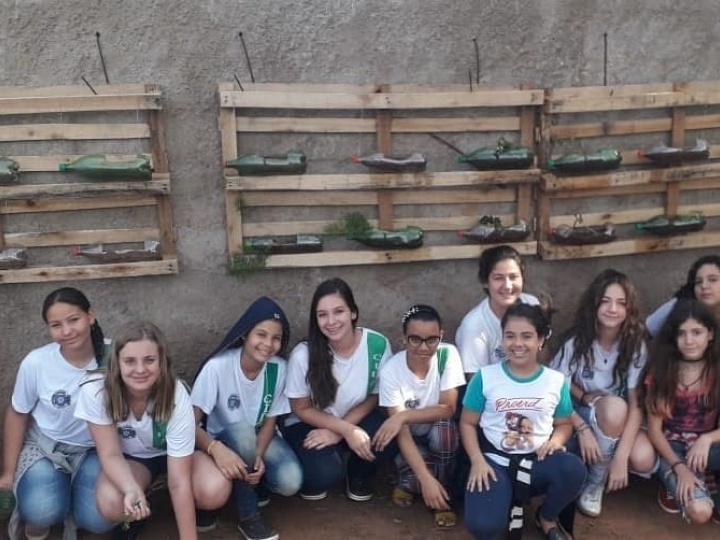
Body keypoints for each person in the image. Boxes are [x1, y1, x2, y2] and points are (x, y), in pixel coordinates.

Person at [461, 303, 585, 540]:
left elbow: (564, 423)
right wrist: (477, 460)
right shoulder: (485, 377)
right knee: (483, 526)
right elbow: (467, 423)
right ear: (502, 338)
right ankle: (501, 498)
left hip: (537, 461)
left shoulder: (555, 381)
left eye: (527, 336)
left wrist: (556, 441)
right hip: (495, 461)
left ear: (541, 340)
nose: (517, 343)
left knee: (572, 469)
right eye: (510, 336)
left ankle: (546, 517)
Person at [0, 287, 110, 540]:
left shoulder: (115, 356)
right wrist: (8, 472)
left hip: (97, 450)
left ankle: (73, 503)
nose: (67, 331)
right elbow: (18, 413)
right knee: (41, 510)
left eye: (74, 319)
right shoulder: (36, 362)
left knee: (100, 517)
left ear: (90, 316)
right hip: (46, 447)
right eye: (56, 325)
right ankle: (42, 516)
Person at [191, 297, 302, 540]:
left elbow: (271, 421)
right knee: (242, 432)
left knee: (290, 481)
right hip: (223, 438)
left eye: (276, 338)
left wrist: (258, 454)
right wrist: (215, 448)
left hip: (259, 436)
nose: (268, 344)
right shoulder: (217, 367)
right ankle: (249, 515)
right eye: (261, 335)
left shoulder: (279, 368)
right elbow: (190, 424)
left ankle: (252, 481)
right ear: (244, 335)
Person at [74, 321, 197, 540]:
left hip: (175, 456)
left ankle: (192, 509)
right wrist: (131, 488)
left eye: (149, 360)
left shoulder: (176, 393)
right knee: (112, 502)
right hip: (136, 460)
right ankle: (142, 510)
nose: (140, 370)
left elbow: (180, 481)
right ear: (117, 362)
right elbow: (110, 453)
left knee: (213, 488)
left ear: (162, 361)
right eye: (130, 361)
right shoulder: (96, 390)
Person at [551, 269, 656, 518]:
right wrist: (582, 428)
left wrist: (621, 457)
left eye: (621, 303)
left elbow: (636, 404)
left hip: (617, 417)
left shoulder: (634, 344)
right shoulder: (576, 341)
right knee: (614, 408)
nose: (612, 309)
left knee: (644, 459)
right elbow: (555, 389)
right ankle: (595, 481)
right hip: (578, 412)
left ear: (629, 308)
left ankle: (606, 462)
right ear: (594, 304)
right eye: (606, 301)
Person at [282, 277, 396, 501]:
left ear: (353, 312)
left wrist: (341, 431)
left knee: (388, 437)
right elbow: (300, 408)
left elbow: (376, 395)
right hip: (310, 423)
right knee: (322, 475)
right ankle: (322, 468)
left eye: (339, 311)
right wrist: (345, 430)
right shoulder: (303, 355)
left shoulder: (377, 345)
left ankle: (358, 474)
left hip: (355, 416)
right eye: (322, 315)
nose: (331, 321)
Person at [373, 305, 465, 529]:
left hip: (438, 434)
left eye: (431, 340)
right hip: (410, 441)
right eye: (415, 339)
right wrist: (426, 479)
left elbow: (448, 408)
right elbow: (401, 433)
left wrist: (402, 416)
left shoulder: (447, 355)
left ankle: (440, 497)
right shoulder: (391, 371)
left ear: (441, 336)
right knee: (418, 479)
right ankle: (414, 482)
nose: (423, 347)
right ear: (403, 339)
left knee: (445, 434)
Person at [644, 299, 720, 524]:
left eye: (697, 332)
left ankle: (709, 483)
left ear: (710, 334)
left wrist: (707, 439)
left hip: (709, 448)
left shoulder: (717, 370)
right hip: (673, 449)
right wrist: (680, 468)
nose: (689, 341)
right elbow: (655, 431)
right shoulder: (663, 371)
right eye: (682, 333)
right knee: (700, 511)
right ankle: (679, 486)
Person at [455, 245, 540, 380]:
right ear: (485, 282)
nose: (507, 286)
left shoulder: (532, 304)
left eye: (513, 277)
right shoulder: (474, 326)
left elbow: (543, 360)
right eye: (498, 278)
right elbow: (476, 382)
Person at [646, 255, 720, 337]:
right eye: (698, 282)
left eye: (713, 280)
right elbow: (645, 331)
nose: (704, 286)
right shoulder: (678, 306)